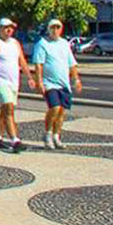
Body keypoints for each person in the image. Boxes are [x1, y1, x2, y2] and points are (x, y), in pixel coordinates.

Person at [0, 17, 33, 152]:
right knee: (9, 109)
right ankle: (15, 140)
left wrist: (29, 77)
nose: (9, 30)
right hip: (1, 82)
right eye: (5, 27)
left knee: (4, 111)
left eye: (11, 27)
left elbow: (22, 61)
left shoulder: (15, 43)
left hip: (13, 83)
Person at [31, 18, 83, 149]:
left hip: (63, 83)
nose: (55, 30)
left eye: (58, 28)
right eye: (52, 28)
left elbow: (72, 63)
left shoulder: (64, 44)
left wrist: (76, 79)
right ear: (48, 29)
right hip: (50, 83)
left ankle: (56, 135)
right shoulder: (42, 43)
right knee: (54, 108)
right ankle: (48, 133)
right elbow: (38, 65)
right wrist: (39, 82)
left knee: (61, 112)